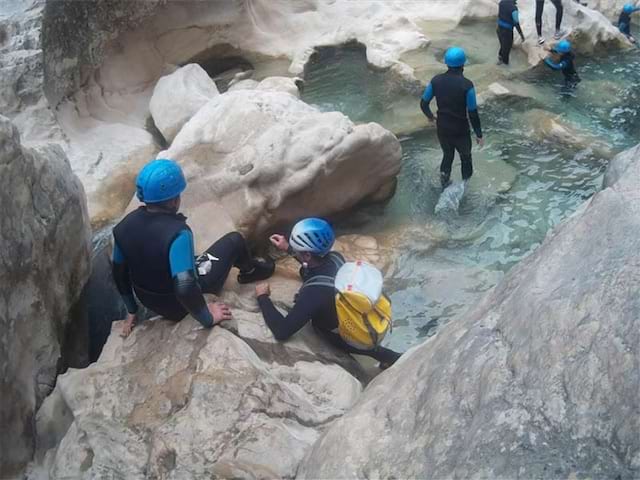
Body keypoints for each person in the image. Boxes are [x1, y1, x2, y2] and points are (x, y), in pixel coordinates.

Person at [112, 159, 274, 337]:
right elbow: (185, 286)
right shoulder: (178, 234)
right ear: (174, 200)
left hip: (148, 300)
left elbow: (119, 274)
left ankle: (136, 310)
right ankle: (250, 270)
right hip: (178, 306)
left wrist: (132, 310)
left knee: (186, 258)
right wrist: (207, 317)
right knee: (234, 240)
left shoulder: (124, 226)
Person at [254, 218, 403, 368]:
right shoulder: (335, 258)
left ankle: (393, 359)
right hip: (354, 314)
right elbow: (313, 268)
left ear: (307, 255)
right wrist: (288, 248)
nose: (293, 249)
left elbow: (282, 331)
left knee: (366, 348)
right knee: (375, 350)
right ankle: (390, 358)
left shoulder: (314, 293)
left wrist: (263, 297)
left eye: (296, 248)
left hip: (339, 332)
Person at [420, 46, 484, 190]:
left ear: (446, 63)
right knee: (466, 158)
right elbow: (473, 113)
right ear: (463, 64)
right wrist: (479, 134)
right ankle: (464, 188)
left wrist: (431, 117)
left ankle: (444, 184)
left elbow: (423, 104)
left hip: (442, 128)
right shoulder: (467, 85)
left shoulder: (436, 81)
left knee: (447, 156)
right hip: (461, 130)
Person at [497, 0, 526, 65]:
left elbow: (499, 15)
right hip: (507, 32)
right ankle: (505, 67)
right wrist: (521, 35)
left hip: (499, 29)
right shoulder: (513, 8)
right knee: (506, 50)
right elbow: (516, 22)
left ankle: (500, 60)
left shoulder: (502, 2)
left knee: (503, 46)